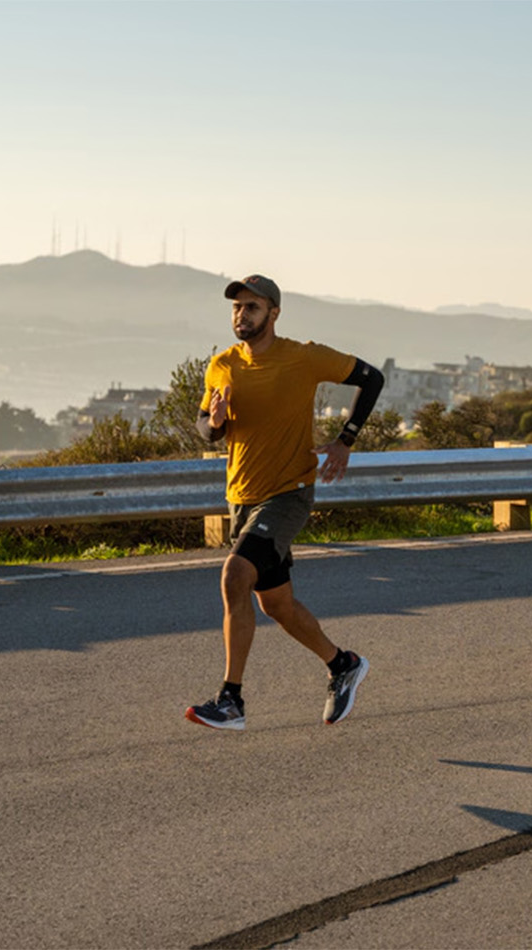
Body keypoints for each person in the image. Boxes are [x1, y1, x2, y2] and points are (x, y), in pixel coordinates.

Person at [185, 273, 385, 730]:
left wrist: (345, 440)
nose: (242, 315)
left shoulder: (303, 357)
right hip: (242, 495)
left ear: (273, 313)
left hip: (288, 492)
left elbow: (372, 379)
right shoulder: (221, 364)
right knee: (276, 605)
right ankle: (343, 665)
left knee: (235, 575)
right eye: (237, 308)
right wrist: (213, 424)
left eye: (252, 307)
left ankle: (231, 700)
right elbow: (205, 425)